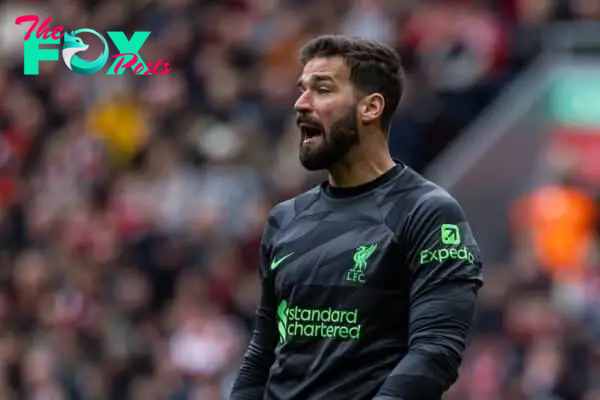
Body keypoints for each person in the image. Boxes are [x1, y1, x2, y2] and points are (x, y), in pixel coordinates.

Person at [230, 35, 484, 400]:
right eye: (302, 89)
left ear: (370, 108)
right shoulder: (285, 219)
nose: (301, 103)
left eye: (322, 89)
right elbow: (261, 355)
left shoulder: (428, 213)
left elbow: (435, 351)